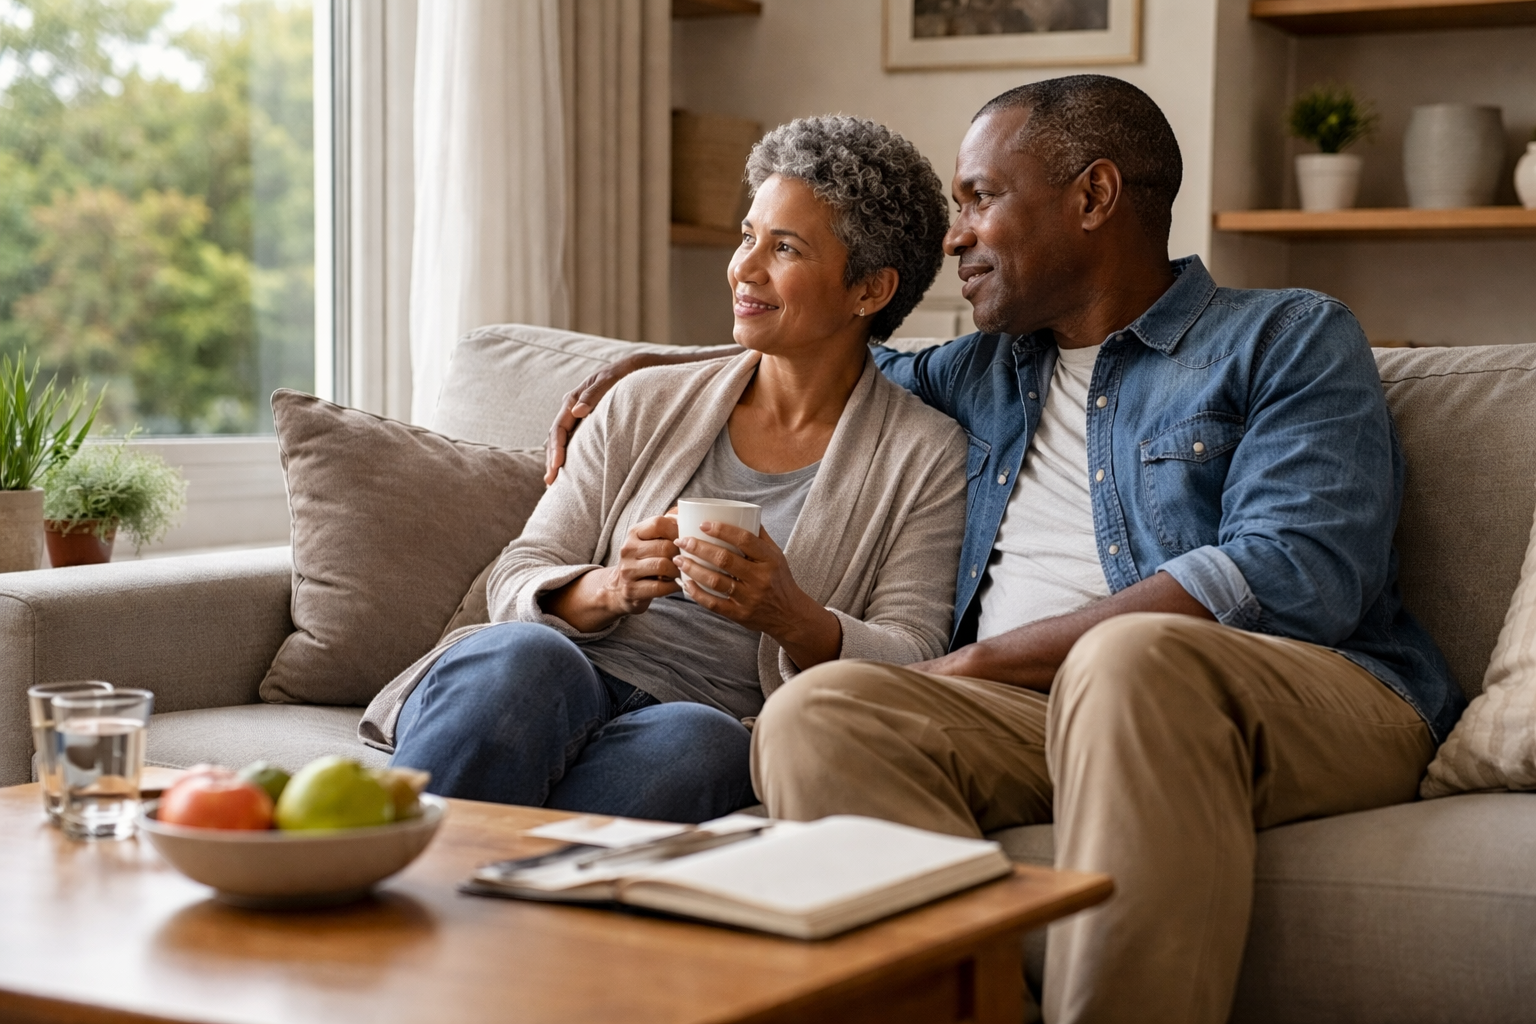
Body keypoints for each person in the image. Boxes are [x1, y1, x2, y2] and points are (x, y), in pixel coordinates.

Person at [543, 76, 1463, 1024]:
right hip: (1035, 712)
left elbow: (1296, 572)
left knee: (1128, 658)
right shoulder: (977, 370)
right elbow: (826, 349)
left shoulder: (1287, 336)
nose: (954, 236)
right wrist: (644, 369)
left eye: (980, 198)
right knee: (818, 711)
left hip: (1307, 694)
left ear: (1093, 197)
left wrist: (973, 664)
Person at [362, 115, 967, 826]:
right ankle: (381, 875)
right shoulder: (643, 401)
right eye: (748, 236)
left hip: (707, 716)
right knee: (528, 659)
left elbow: (917, 652)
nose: (745, 267)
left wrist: (791, 614)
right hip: (555, 679)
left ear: (869, 290)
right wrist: (609, 586)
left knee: (699, 743)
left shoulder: (925, 455)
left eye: (785, 248)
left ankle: (499, 910)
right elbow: (523, 566)